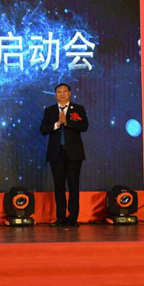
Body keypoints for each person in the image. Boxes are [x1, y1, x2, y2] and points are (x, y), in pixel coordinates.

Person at [40, 83, 88, 227]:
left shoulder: (78, 109)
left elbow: (84, 126)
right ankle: (60, 217)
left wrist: (67, 123)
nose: (62, 94)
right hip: (56, 154)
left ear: (69, 93)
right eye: (59, 92)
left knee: (73, 186)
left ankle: (73, 218)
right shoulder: (50, 110)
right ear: (55, 95)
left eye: (64, 92)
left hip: (74, 154)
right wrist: (57, 124)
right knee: (59, 186)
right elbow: (43, 129)